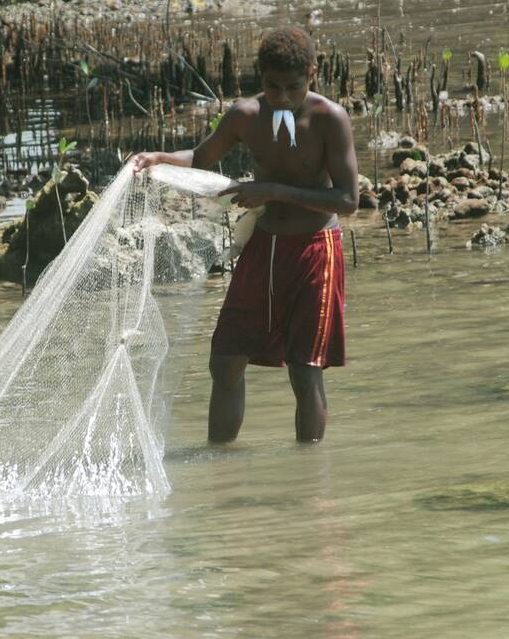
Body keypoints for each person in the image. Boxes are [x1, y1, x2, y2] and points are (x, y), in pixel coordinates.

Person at [133, 27, 358, 443]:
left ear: (313, 73)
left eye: (294, 87)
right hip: (264, 246)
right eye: (273, 87)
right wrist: (159, 157)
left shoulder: (330, 118)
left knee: (304, 371)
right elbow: (201, 157)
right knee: (225, 361)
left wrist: (270, 191)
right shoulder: (245, 115)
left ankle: (309, 481)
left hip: (315, 250)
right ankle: (219, 461)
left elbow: (347, 200)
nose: (284, 97)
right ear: (260, 77)